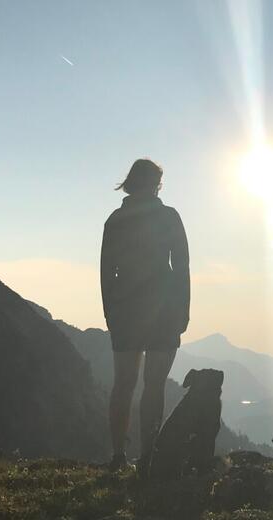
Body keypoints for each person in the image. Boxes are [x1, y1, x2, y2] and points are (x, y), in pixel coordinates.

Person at [100, 158, 190, 470]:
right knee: (154, 385)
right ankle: (148, 456)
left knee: (123, 383)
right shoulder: (168, 217)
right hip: (164, 308)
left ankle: (117, 456)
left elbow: (106, 272)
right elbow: (181, 267)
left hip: (125, 310)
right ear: (154, 184)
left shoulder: (116, 220)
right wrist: (183, 310)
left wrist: (110, 313)